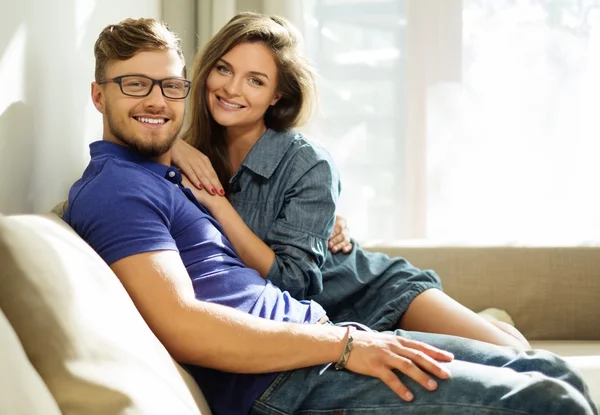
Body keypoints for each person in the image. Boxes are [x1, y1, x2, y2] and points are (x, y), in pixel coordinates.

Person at [64, 17, 598, 415]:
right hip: (296, 370)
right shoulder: (124, 187)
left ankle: (492, 325)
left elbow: (157, 135)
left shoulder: (185, 169)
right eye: (133, 84)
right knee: (550, 400)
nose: (155, 100)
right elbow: (183, 324)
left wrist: (171, 150)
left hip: (342, 309)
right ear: (97, 95)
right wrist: (344, 344)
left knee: (546, 368)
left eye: (169, 87)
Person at [172, 12, 529, 349]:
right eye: (224, 69)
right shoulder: (184, 157)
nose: (232, 88)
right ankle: (485, 319)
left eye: (255, 80)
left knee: (512, 353)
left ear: (276, 95)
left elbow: (293, 283)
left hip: (375, 291)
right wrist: (174, 145)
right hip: (329, 330)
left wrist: (217, 204)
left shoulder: (307, 162)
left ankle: (489, 322)